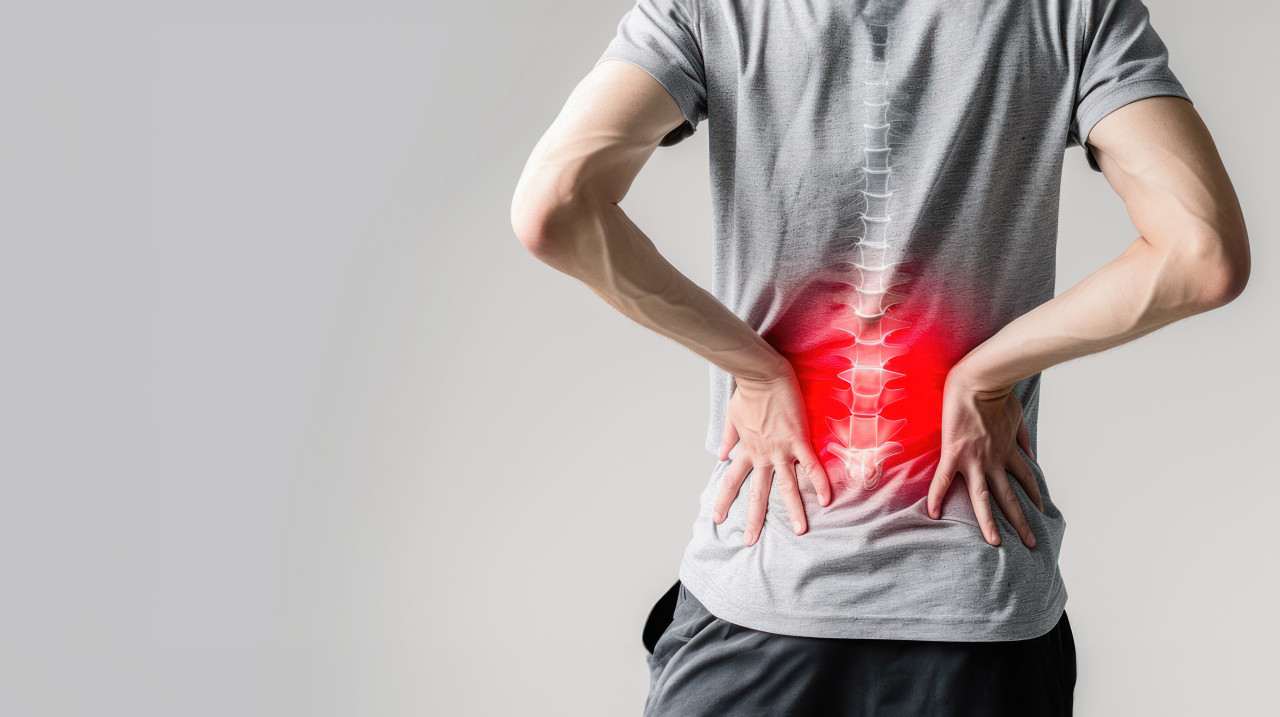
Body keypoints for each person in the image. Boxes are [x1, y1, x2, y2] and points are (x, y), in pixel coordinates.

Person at [511, 0, 1250, 714]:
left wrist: (752, 365)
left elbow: (555, 205)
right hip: (979, 612)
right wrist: (984, 372)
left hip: (768, 596)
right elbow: (1202, 252)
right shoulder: (1071, 11)